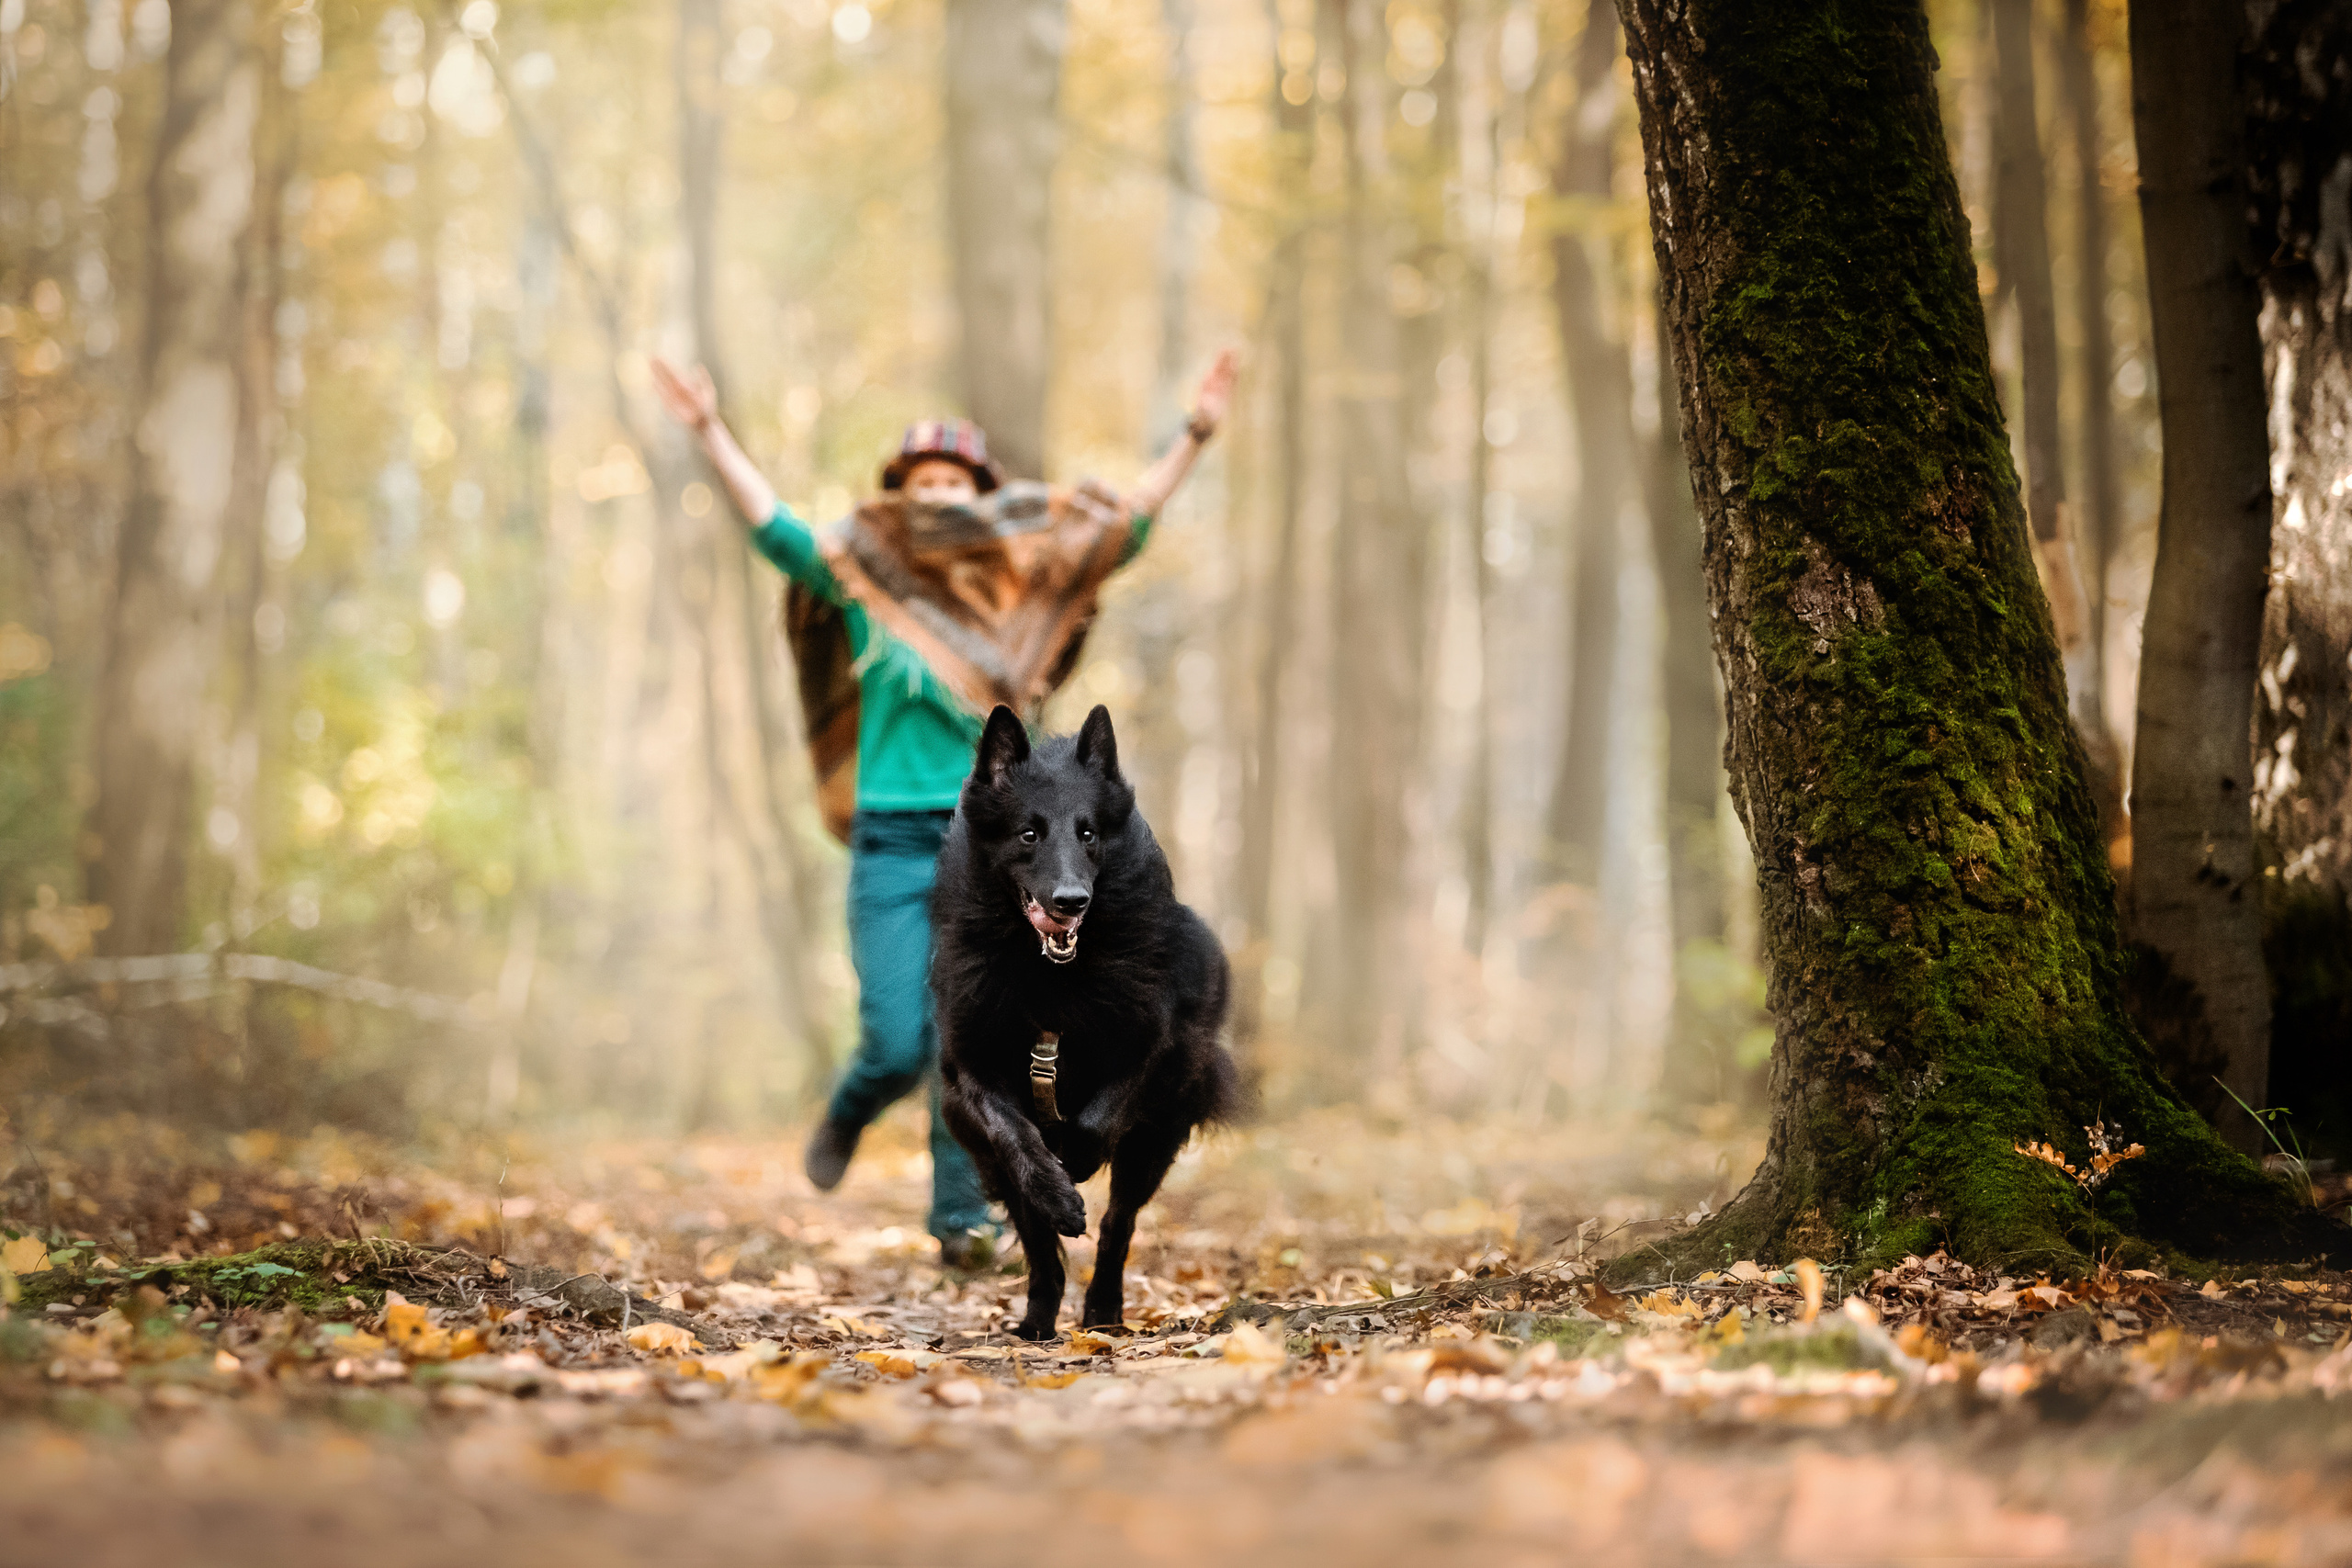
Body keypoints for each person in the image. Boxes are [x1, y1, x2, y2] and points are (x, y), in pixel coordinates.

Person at [651, 351, 1238, 1267]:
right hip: (890, 840)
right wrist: (706, 429)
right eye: (919, 483)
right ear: (896, 497)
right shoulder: (863, 580)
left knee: (967, 1035)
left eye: (953, 483)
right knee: (896, 1041)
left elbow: (1118, 533)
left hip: (1000, 849)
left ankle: (963, 1221)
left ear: (983, 498)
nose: (936, 497)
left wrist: (1195, 432)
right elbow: (777, 531)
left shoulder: (1021, 585)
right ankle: (852, 1106)